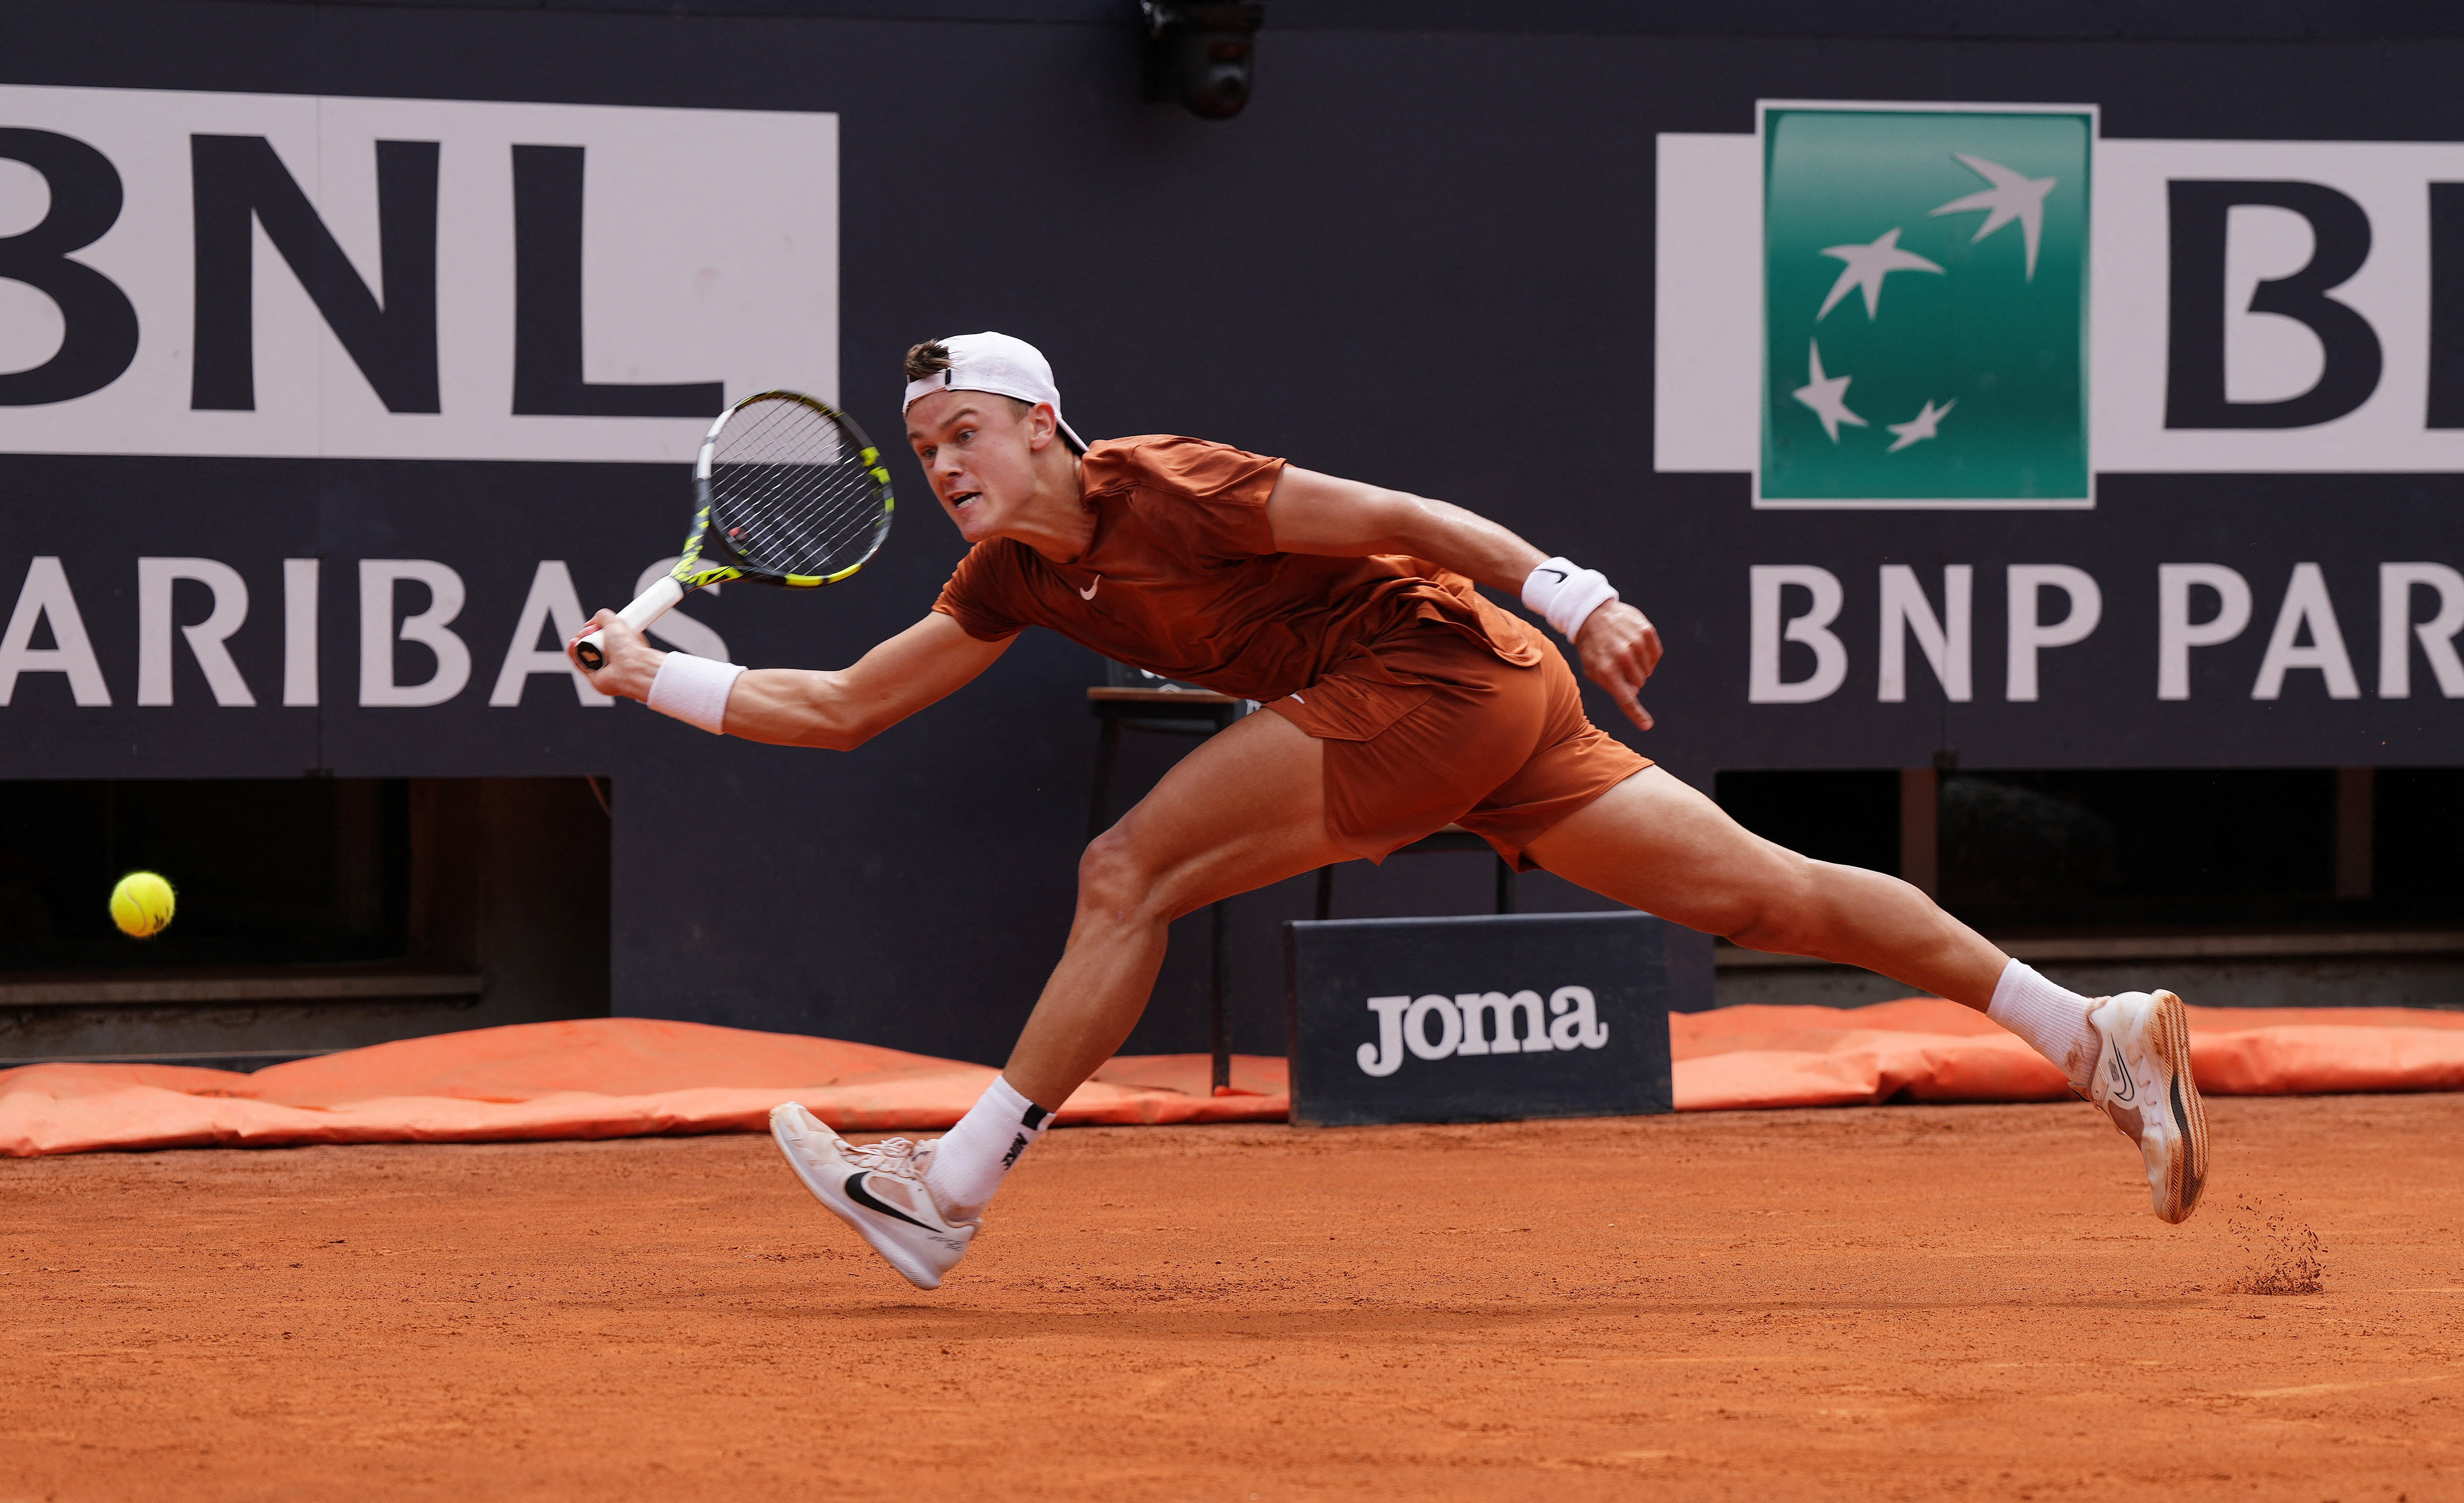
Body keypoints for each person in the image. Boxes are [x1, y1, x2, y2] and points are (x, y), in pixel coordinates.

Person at [571, 331, 2209, 1290]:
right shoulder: (1009, 572)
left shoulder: (1175, 482)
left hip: (1439, 669)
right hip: (1479, 718)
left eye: (967, 434)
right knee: (1770, 897)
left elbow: (1403, 511)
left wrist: (1577, 590)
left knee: (1126, 863)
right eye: (925, 446)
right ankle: (2096, 1033)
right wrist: (651, 681)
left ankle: (954, 1188)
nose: (943, 463)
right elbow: (848, 707)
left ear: (1044, 426)